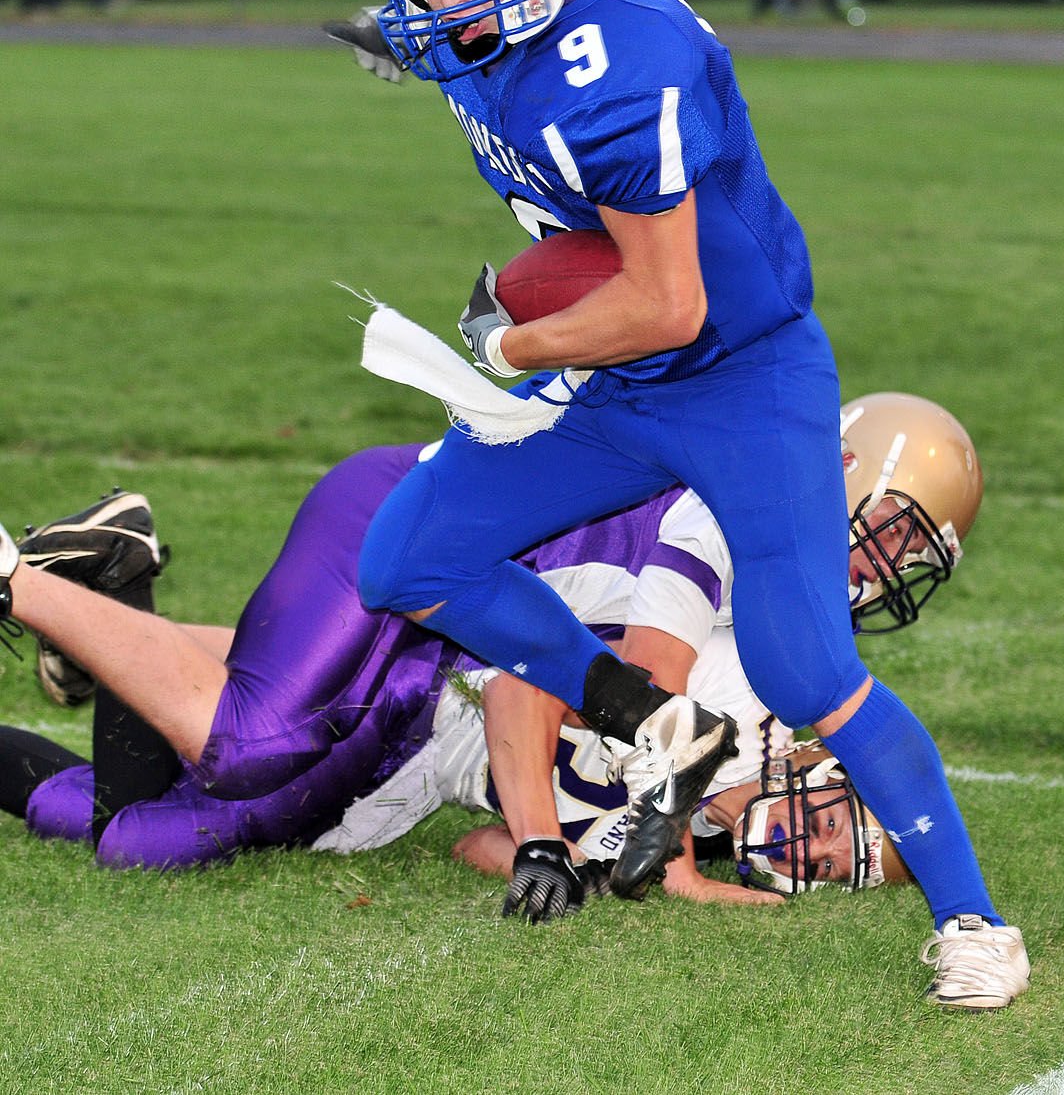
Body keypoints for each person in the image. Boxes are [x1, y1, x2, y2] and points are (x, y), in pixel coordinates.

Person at [335, 0, 1028, 1009]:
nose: (438, 1)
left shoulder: (619, 60)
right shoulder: (508, 1)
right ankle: (658, 725)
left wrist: (511, 342)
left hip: (735, 370)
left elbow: (666, 303)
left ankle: (975, 919)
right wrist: (420, 27)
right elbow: (491, 56)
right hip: (615, 372)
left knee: (804, 665)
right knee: (410, 557)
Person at [4, 397, 965, 931]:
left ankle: (109, 601)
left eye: (907, 563)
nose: (876, 574)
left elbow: (542, 734)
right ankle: (24, 578)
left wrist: (601, 858)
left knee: (151, 832)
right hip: (419, 545)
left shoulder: (760, 614)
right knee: (249, 744)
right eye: (888, 534)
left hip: (444, 637)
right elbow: (592, 683)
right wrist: (593, 846)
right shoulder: (728, 551)